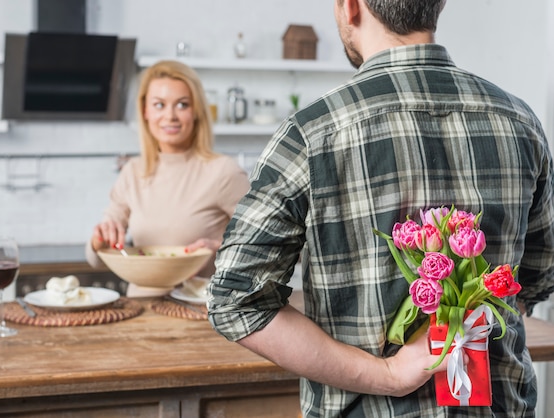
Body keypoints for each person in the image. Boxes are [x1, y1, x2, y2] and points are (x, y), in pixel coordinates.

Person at [208, 0, 554, 417]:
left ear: (349, 8)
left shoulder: (311, 133)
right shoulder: (519, 121)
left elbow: (235, 299)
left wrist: (387, 374)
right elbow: (535, 278)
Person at [86, 60, 249, 296]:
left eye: (182, 105)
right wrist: (99, 240)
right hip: (140, 312)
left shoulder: (223, 172)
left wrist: (219, 249)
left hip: (200, 313)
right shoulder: (132, 171)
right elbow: (95, 259)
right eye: (159, 105)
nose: (170, 116)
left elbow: (266, 245)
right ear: (145, 111)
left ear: (196, 112)